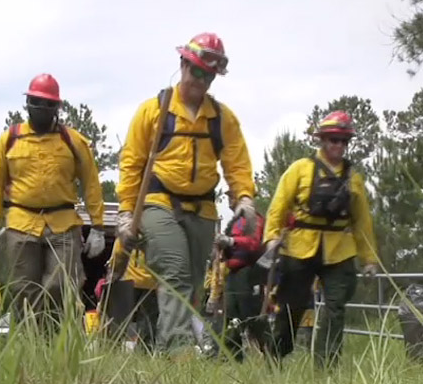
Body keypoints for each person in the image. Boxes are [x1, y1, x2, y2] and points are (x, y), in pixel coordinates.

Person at [116, 32, 257, 353]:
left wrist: (244, 197)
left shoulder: (222, 118)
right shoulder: (153, 111)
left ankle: (157, 352)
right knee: (175, 274)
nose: (201, 80)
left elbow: (237, 162)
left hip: (203, 211)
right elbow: (132, 164)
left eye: (209, 75)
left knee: (191, 287)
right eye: (196, 71)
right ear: (182, 65)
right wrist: (125, 213)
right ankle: (178, 355)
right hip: (157, 204)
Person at [0, 74, 105, 327]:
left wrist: (98, 226)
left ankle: (55, 339)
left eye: (48, 104)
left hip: (63, 223)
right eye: (36, 102)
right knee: (22, 288)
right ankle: (28, 343)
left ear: (57, 107)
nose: (42, 108)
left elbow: (91, 182)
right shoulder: (10, 140)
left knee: (61, 284)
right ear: (27, 103)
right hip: (20, 222)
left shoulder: (72, 141)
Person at [263, 110, 378, 366]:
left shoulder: (354, 179)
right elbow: (279, 206)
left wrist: (369, 259)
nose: (338, 146)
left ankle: (326, 365)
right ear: (322, 140)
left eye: (343, 141)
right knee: (291, 307)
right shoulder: (300, 170)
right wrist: (271, 238)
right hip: (299, 247)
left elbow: (362, 222)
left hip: (340, 249)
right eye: (333, 139)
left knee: (335, 308)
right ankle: (275, 356)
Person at [214, 190, 266, 359]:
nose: (230, 200)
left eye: (233, 196)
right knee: (230, 317)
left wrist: (231, 241)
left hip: (249, 273)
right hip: (233, 273)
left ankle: (271, 355)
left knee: (252, 316)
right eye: (229, 197)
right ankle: (230, 358)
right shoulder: (234, 222)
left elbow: (255, 244)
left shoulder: (254, 219)